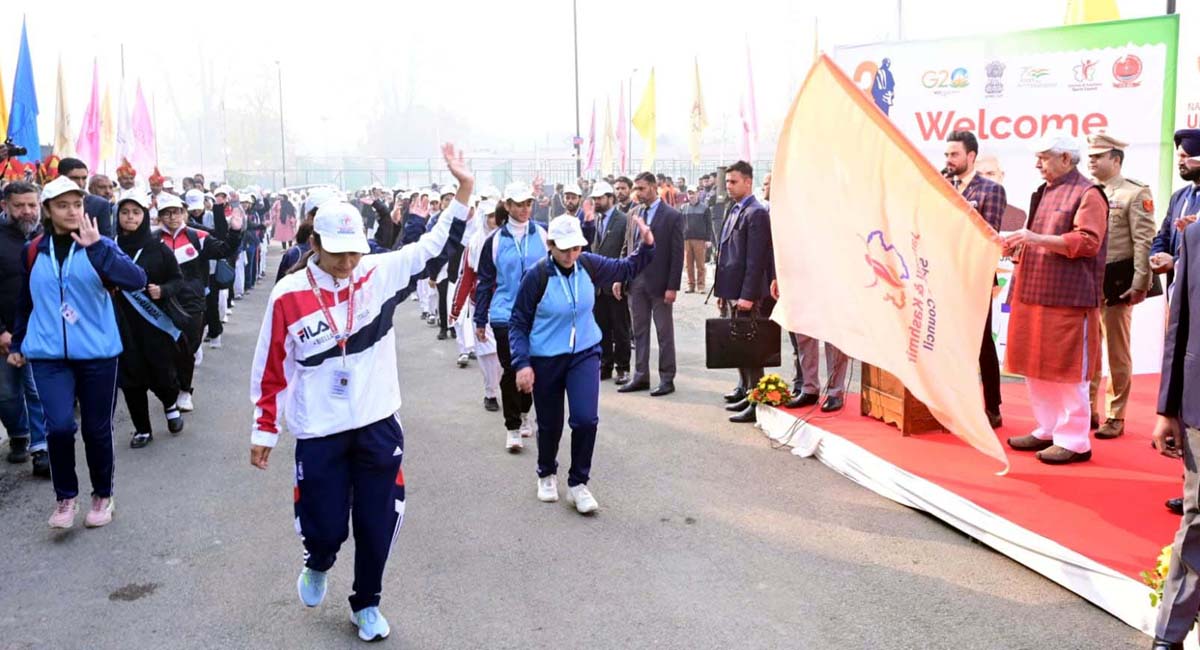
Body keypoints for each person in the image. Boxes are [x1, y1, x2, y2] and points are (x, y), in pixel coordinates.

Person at [248, 144, 473, 643]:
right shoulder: (288, 295)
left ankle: (367, 602)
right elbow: (271, 366)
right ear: (315, 243)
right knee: (325, 527)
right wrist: (265, 427)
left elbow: (434, 247)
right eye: (337, 252)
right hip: (320, 429)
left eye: (355, 251)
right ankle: (319, 562)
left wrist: (463, 190)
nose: (348, 261)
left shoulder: (376, 273)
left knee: (377, 520)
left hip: (376, 421)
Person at [8, 176, 148, 529]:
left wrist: (98, 248)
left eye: (77, 204)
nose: (72, 211)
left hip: (98, 354)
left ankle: (103, 494)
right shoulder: (33, 250)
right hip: (48, 355)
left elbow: (136, 280)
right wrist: (19, 343)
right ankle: (65, 497)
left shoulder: (100, 245)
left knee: (96, 430)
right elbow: (27, 302)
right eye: (63, 205)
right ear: (48, 211)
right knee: (57, 427)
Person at [510, 212, 655, 513]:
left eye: (575, 248)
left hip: (585, 353)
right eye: (564, 248)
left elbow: (626, 268)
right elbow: (518, 322)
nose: (570, 254)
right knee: (550, 424)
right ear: (550, 245)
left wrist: (647, 245)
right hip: (546, 358)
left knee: (586, 419)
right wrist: (522, 363)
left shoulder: (588, 264)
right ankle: (546, 472)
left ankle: (578, 483)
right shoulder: (536, 276)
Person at [1003, 131, 1107, 465]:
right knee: (1036, 368)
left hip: (1069, 298)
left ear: (1065, 158)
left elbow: (1088, 242)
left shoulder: (1088, 193)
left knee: (1068, 371)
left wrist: (1035, 237)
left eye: (1044, 157)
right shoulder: (1044, 191)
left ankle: (1074, 440)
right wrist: (1018, 243)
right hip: (1034, 291)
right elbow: (1038, 239)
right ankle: (1047, 428)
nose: (1037, 164)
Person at [1085, 131, 1157, 440]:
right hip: (1086, 281)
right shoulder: (1086, 191)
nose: (1092, 161)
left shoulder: (1134, 193)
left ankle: (1116, 415)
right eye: (1090, 156)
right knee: (1087, 351)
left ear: (1115, 160)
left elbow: (1144, 242)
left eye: (1098, 157)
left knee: (1116, 351)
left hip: (1117, 282)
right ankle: (1087, 408)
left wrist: (1140, 283)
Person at [1149, 216, 1200, 650]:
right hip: (1199, 405)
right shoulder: (1194, 235)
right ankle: (1169, 636)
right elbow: (1178, 326)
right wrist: (1166, 409)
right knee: (1198, 520)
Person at [474, 181, 545, 450]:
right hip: (504, 314)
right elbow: (484, 281)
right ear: (507, 206)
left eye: (528, 203)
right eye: (518, 204)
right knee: (512, 368)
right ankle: (512, 426)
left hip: (538, 314)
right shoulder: (494, 241)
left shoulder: (542, 235)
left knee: (532, 367)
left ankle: (525, 412)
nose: (525, 209)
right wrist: (480, 318)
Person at [159, 191, 243, 412]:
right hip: (163, 302)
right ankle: (171, 387)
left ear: (184, 213)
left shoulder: (198, 236)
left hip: (192, 302)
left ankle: (185, 390)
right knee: (166, 350)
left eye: (176, 212)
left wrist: (235, 231)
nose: (172, 217)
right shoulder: (153, 240)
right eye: (166, 213)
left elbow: (225, 249)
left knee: (189, 346)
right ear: (159, 216)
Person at [112, 191, 185, 448]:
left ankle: (170, 404)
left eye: (135, 213)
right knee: (131, 379)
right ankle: (142, 428)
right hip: (121, 325)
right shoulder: (110, 248)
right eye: (124, 212)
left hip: (154, 324)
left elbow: (178, 280)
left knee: (162, 373)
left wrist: (162, 290)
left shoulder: (158, 249)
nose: (130, 218)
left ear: (144, 216)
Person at [945, 130, 1007, 428]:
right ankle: (957, 403)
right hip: (944, 275)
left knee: (981, 344)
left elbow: (990, 237)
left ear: (971, 156)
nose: (949, 160)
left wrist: (962, 213)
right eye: (946, 155)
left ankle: (992, 407)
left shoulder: (990, 190)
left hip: (976, 277)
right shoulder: (941, 186)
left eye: (954, 154)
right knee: (950, 342)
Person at [714, 161, 774, 424]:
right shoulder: (734, 208)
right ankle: (744, 389)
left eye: (734, 181)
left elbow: (755, 259)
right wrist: (721, 290)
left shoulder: (756, 212)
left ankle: (756, 400)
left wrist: (748, 295)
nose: (728, 186)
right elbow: (725, 253)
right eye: (727, 182)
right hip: (731, 290)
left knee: (751, 348)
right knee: (738, 344)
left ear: (748, 182)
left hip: (746, 293)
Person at [617, 171, 684, 397]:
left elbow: (677, 255)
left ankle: (667, 378)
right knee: (639, 331)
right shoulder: (633, 213)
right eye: (636, 189)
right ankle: (640, 376)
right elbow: (627, 248)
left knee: (664, 333)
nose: (638, 193)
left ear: (655, 187)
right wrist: (620, 275)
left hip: (660, 284)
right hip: (635, 283)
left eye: (642, 188)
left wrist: (672, 286)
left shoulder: (672, 216)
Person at [0, 181, 48, 476]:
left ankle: (41, 448)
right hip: (5, 334)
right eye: (20, 206)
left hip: (42, 331)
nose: (27, 212)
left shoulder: (49, 237)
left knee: (38, 389)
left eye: (32, 205)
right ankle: (19, 434)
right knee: (6, 393)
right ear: (5, 206)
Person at [451, 200, 504, 411]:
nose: (494, 221)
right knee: (487, 353)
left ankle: (504, 389)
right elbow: (465, 278)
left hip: (505, 304)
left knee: (503, 354)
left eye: (496, 216)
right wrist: (456, 308)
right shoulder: (473, 244)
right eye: (490, 216)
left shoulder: (509, 241)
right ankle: (490, 393)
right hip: (481, 305)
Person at [588, 181, 633, 384]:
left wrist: (621, 278)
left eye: (600, 198)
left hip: (616, 283)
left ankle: (623, 368)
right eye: (595, 198)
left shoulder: (623, 220)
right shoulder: (596, 220)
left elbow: (626, 252)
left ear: (610, 198)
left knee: (620, 327)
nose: (597, 201)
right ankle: (605, 364)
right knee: (602, 327)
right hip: (598, 285)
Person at [1152, 130, 1200, 291]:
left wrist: (1175, 260)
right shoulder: (1179, 197)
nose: (1180, 162)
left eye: (1186, 156)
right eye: (1179, 156)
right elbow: (1164, 235)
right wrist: (1156, 256)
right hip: (1177, 289)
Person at [58, 157, 115, 238]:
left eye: (84, 178)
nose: (81, 183)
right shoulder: (48, 202)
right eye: (75, 178)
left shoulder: (100, 205)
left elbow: (106, 241)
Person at [975, 154, 1028, 231]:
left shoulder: (1017, 216)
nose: (984, 179)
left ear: (1001, 176)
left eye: (990, 174)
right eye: (978, 175)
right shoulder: (961, 211)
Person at [681, 186, 713, 293]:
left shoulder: (705, 208)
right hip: (687, 240)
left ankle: (701, 286)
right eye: (689, 193)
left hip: (700, 239)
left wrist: (708, 239)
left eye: (693, 193)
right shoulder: (683, 208)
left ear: (698, 194)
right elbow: (680, 224)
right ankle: (691, 285)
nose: (691, 195)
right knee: (688, 265)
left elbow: (709, 224)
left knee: (700, 264)